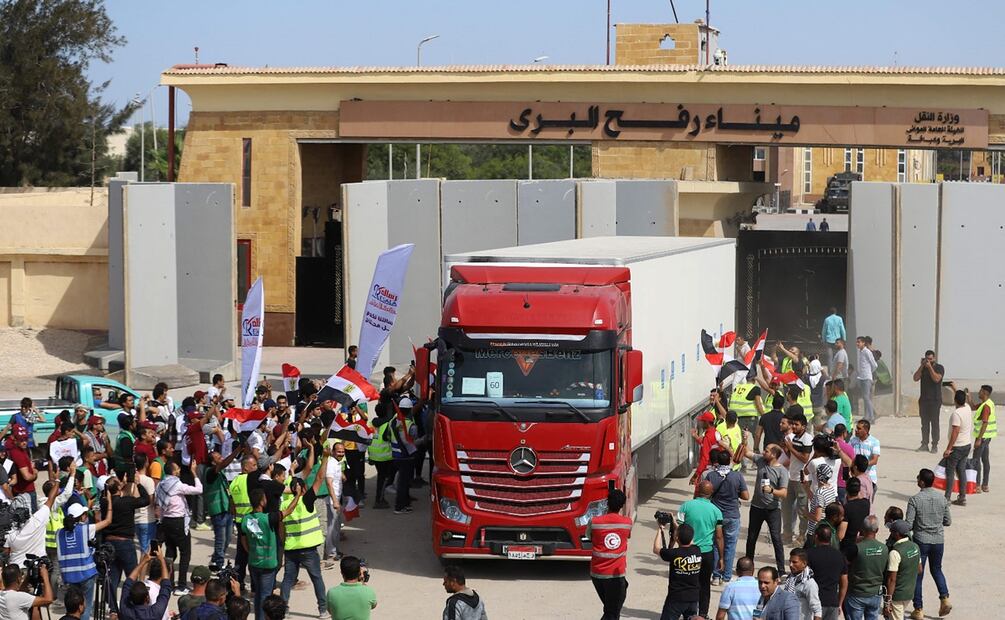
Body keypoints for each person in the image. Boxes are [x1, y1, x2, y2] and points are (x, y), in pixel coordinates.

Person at [279, 468, 332, 620]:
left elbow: (281, 529)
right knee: (317, 578)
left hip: (291, 549)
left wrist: (292, 471)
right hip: (308, 550)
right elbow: (319, 478)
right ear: (302, 489)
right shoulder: (306, 500)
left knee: (288, 579)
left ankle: (284, 610)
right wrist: (325, 459)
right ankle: (322, 610)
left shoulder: (284, 506)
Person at [243, 486, 301, 620]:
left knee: (258, 594)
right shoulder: (269, 518)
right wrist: (297, 495)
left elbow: (243, 539)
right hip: (268, 563)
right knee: (265, 595)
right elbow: (289, 511)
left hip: (253, 563)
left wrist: (252, 552)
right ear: (262, 502)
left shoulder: (246, 519)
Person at [6, 461, 74, 566]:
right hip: (55, 543)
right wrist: (70, 476)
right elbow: (67, 493)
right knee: (56, 568)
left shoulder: (10, 531)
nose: (59, 490)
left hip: (44, 545)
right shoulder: (52, 505)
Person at [905, 468, 952, 619]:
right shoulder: (942, 498)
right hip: (938, 540)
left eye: (918, 477)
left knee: (918, 574)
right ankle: (944, 598)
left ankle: (918, 609)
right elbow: (948, 521)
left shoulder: (915, 500)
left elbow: (909, 524)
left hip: (921, 540)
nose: (917, 479)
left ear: (922, 482)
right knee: (937, 569)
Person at [58, 497, 114, 620]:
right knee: (85, 608)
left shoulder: (59, 533)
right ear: (82, 516)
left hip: (69, 577)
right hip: (86, 574)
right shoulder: (86, 529)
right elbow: (108, 521)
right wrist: (109, 500)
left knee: (73, 609)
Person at [155, 458, 203, 594]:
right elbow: (199, 489)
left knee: (170, 554)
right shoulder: (176, 484)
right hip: (178, 522)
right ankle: (181, 586)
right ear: (173, 471)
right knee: (185, 553)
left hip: (166, 522)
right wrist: (194, 473)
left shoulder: (161, 485)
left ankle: (168, 584)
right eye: (177, 468)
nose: (179, 470)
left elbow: (159, 505)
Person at [703, 449, 748, 585]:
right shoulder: (737, 476)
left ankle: (716, 576)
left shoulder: (711, 476)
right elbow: (746, 496)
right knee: (730, 546)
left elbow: (705, 493)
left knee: (716, 545)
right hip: (732, 515)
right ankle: (727, 576)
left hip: (715, 516)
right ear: (729, 461)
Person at [679, 480, 724, 618]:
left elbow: (678, 530)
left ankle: (689, 613)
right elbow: (719, 536)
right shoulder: (716, 511)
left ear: (697, 491)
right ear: (711, 493)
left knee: (688, 583)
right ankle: (703, 614)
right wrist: (721, 557)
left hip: (688, 552)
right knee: (704, 585)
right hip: (706, 554)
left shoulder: (685, 507)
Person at [741, 443, 788, 574]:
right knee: (751, 537)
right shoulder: (761, 460)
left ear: (773, 455)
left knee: (776, 538)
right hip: (756, 507)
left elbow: (784, 493)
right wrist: (744, 440)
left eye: (766, 451)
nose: (763, 452)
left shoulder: (782, 471)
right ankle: (748, 567)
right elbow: (746, 452)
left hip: (773, 509)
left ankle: (781, 570)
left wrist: (772, 490)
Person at [587, 488, 631, 620]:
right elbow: (626, 536)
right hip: (615, 575)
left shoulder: (594, 521)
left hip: (597, 573)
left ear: (607, 503)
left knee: (611, 609)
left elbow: (589, 537)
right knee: (612, 612)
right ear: (622, 505)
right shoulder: (627, 523)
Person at [206, 443, 245, 571]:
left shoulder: (221, 474)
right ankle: (219, 565)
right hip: (218, 511)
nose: (221, 458)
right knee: (220, 539)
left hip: (226, 510)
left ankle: (215, 558)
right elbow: (223, 464)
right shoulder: (210, 472)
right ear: (212, 463)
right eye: (218, 458)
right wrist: (237, 450)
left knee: (227, 539)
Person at [653, 521, 701, 620]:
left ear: (676, 538)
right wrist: (674, 522)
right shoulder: (697, 550)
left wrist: (660, 529)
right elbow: (688, 537)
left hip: (676, 598)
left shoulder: (673, 553)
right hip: (693, 597)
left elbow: (656, 549)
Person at [844, 516, 888, 620]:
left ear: (862, 530)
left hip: (857, 593)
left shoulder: (856, 548)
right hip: (875, 593)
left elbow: (845, 565)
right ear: (877, 530)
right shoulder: (884, 548)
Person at [782, 411, 813, 545]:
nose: (793, 427)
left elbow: (805, 458)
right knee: (786, 507)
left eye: (796, 424)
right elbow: (793, 458)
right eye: (792, 424)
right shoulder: (794, 438)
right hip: (792, 477)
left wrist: (790, 448)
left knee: (802, 509)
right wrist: (788, 450)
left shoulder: (807, 438)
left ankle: (801, 536)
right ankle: (787, 534)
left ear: (804, 426)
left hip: (802, 479)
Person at [807, 524, 847, 620]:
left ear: (816, 536)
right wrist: (840, 603)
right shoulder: (840, 556)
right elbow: (844, 582)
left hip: (814, 602)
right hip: (832, 603)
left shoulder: (809, 554)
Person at [117, 551, 172, 620]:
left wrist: (144, 561)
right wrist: (161, 560)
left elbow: (128, 583)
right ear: (147, 598)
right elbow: (166, 587)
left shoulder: (125, 610)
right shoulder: (153, 614)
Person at [883, 520, 920, 620]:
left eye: (891, 531)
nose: (890, 533)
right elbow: (919, 569)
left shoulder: (895, 552)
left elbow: (892, 579)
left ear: (897, 534)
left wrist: (888, 601)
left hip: (897, 595)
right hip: (909, 593)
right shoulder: (915, 547)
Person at [388, 396, 419, 514]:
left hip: (396, 455)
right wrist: (423, 440)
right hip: (407, 457)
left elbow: (388, 436)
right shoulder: (410, 425)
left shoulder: (393, 421)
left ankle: (405, 504)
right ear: (410, 410)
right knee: (403, 483)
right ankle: (399, 506)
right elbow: (412, 441)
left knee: (403, 481)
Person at [942, 389, 972, 506]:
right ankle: (962, 497)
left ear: (955, 400)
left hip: (957, 447)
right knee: (961, 471)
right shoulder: (967, 408)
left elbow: (955, 432)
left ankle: (947, 498)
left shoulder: (957, 414)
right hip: (967, 445)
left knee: (950, 472)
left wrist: (948, 449)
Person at [913, 350, 945, 454]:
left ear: (934, 358)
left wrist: (930, 367)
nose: (929, 361)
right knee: (924, 423)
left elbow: (936, 379)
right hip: (924, 400)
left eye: (931, 359)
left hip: (935, 400)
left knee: (934, 423)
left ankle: (934, 445)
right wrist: (922, 366)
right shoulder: (923, 368)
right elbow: (915, 378)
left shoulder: (939, 368)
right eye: (927, 359)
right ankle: (924, 444)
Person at [325, 556, 376, 620]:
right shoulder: (368, 591)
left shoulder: (331, 593)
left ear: (342, 573)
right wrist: (362, 582)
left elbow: (330, 610)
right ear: (359, 573)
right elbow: (373, 605)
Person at [728, 376, 764, 454]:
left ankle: (741, 460)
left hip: (738, 417)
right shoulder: (755, 388)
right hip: (751, 417)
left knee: (741, 440)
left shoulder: (737, 387)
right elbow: (758, 404)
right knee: (756, 437)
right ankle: (756, 458)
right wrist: (764, 415)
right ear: (754, 381)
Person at [970, 384, 995, 493]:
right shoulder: (987, 403)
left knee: (976, 460)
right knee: (985, 460)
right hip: (987, 437)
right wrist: (968, 397)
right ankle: (985, 485)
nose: (979, 392)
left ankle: (978, 485)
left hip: (983, 437)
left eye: (980, 391)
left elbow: (985, 423)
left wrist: (979, 439)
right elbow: (972, 407)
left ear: (984, 393)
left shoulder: (985, 407)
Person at [784, 548, 822, 620]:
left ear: (804, 563)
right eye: (790, 562)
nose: (791, 565)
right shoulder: (789, 580)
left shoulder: (809, 584)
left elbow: (817, 610)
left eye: (794, 562)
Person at [133, 453, 157, 554]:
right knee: (147, 551)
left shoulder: (132, 480)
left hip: (136, 519)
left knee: (144, 548)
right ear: (146, 463)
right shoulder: (148, 480)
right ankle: (143, 570)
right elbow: (151, 501)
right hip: (147, 519)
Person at [850, 420, 880, 491]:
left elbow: (874, 460)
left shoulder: (874, 442)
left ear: (866, 430)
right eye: (856, 428)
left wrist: (862, 465)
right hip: (855, 480)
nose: (856, 430)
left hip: (870, 479)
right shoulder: (853, 441)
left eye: (859, 428)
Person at [853, 337, 878, 422]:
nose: (857, 344)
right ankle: (866, 417)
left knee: (867, 398)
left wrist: (869, 372)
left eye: (859, 342)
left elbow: (874, 365)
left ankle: (871, 417)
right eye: (857, 342)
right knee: (864, 398)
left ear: (863, 343)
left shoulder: (867, 352)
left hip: (867, 378)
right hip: (862, 377)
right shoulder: (860, 352)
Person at [821, 308, 847, 372]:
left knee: (830, 357)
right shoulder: (839, 319)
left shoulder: (827, 319)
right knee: (838, 357)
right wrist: (844, 339)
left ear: (829, 312)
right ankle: (838, 372)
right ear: (836, 312)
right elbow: (842, 330)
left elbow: (824, 331)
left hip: (829, 340)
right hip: (837, 341)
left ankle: (830, 372)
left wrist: (823, 339)